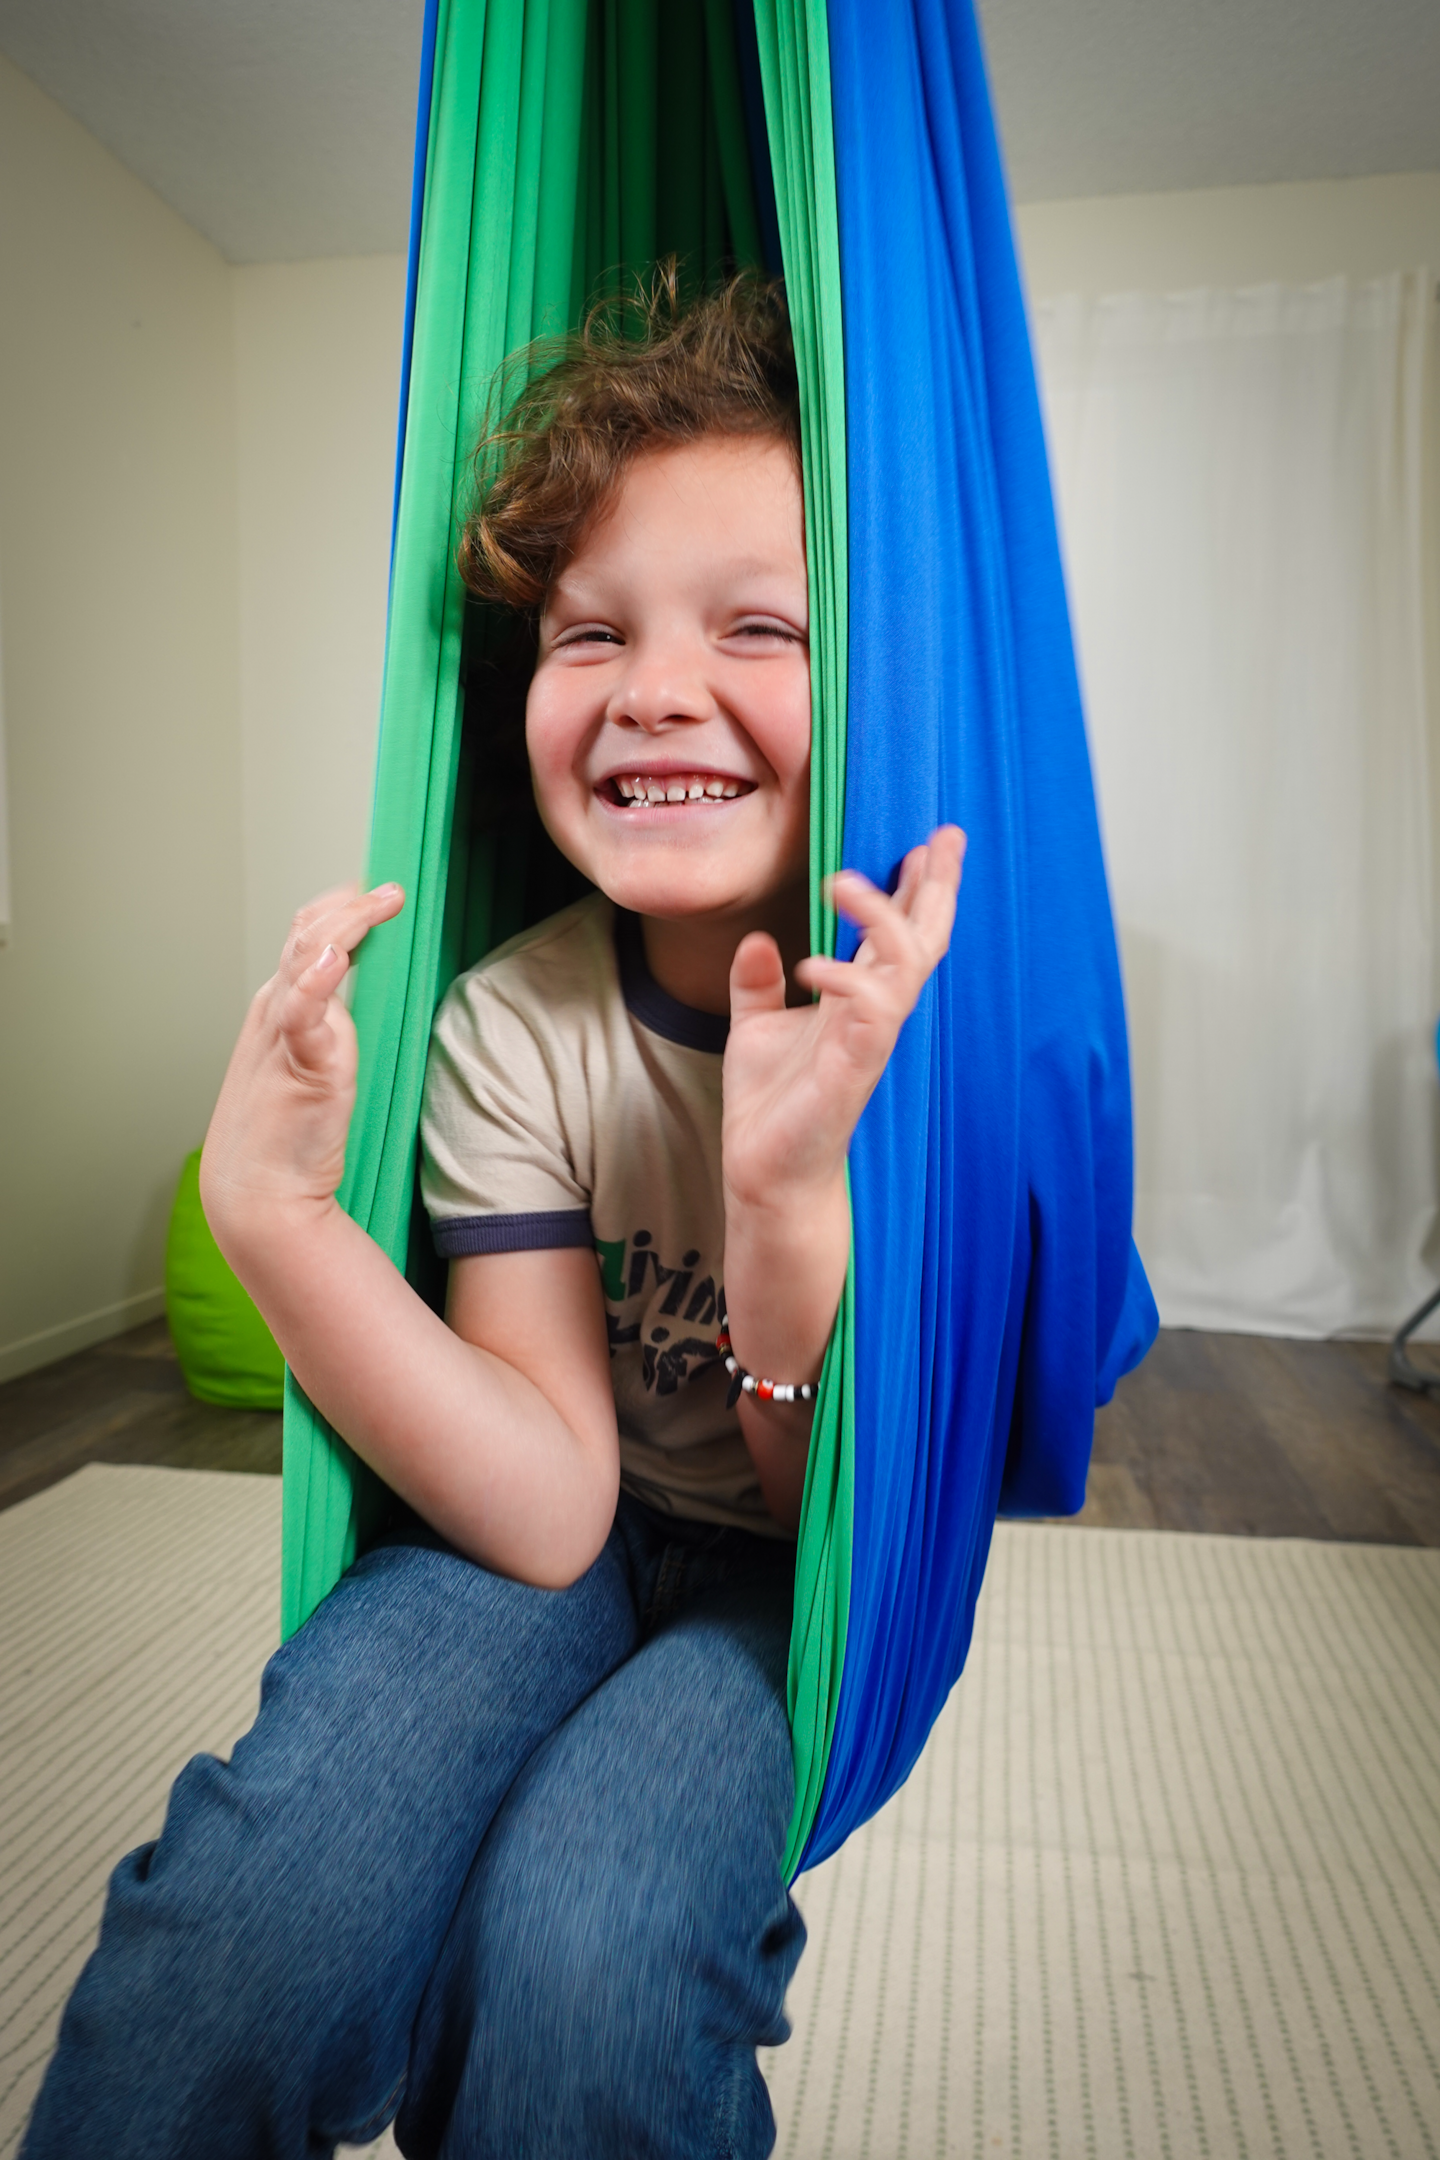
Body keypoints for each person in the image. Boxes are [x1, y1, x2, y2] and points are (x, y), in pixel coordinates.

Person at [22, 274, 963, 2160]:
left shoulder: (920, 1039)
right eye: (585, 633)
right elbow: (549, 1504)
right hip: (567, 1521)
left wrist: (784, 1212)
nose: (653, 689)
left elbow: (830, 1524)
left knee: (583, 1960)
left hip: (789, 1584)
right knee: (244, 1935)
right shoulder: (516, 1022)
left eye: (754, 628)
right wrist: (273, 1213)